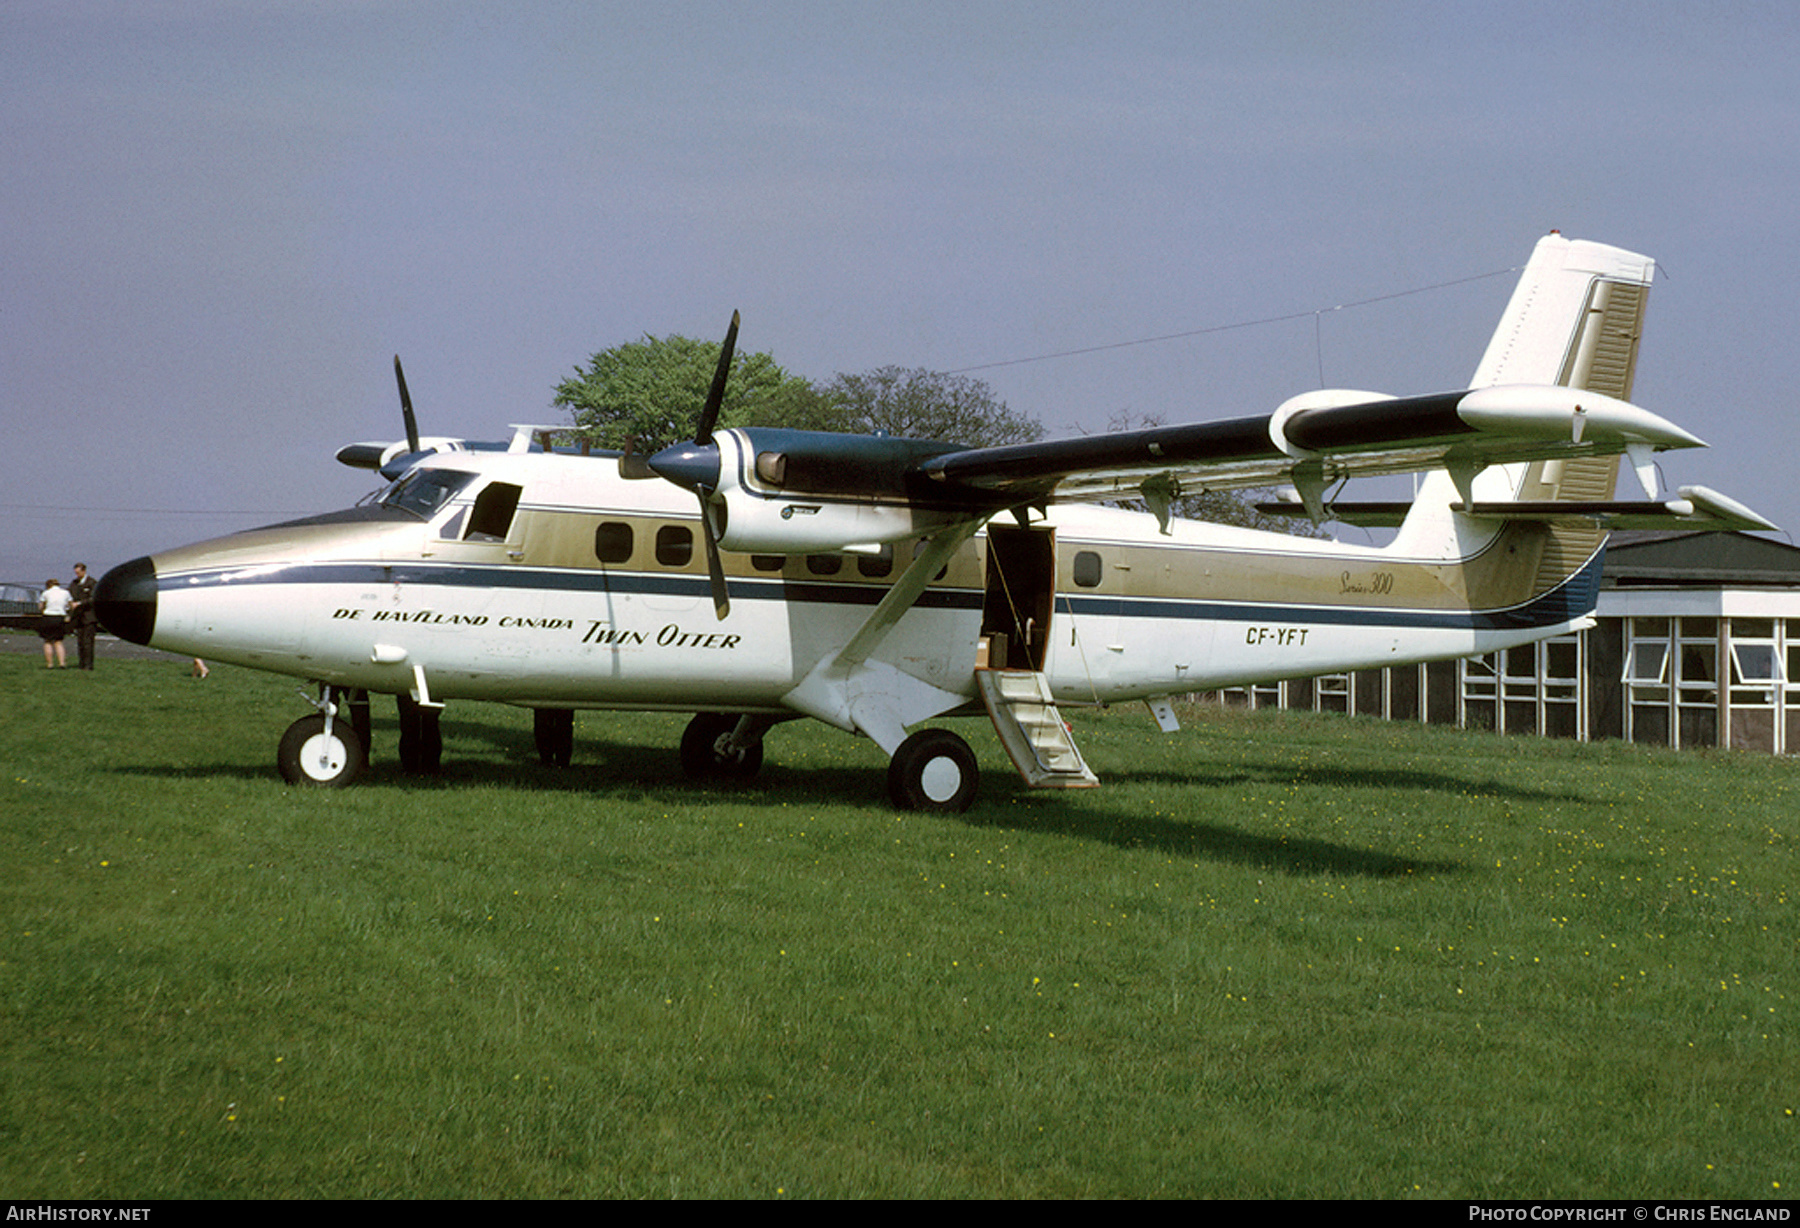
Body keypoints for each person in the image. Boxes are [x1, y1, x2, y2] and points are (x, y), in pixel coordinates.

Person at [68, 562, 97, 670]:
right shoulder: (74, 583)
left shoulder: (92, 583)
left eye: (78, 572)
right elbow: (69, 593)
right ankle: (81, 663)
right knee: (80, 642)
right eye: (76, 573)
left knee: (88, 642)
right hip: (78, 617)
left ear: (84, 571)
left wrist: (79, 603)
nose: (77, 575)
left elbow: (93, 598)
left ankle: (88, 665)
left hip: (89, 617)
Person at [38, 578, 70, 668]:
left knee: (48, 641)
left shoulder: (46, 593)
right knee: (58, 641)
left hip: (48, 617)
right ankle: (62, 663)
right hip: (60, 617)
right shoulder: (65, 593)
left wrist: (43, 610)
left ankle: (50, 664)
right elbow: (70, 604)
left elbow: (41, 606)